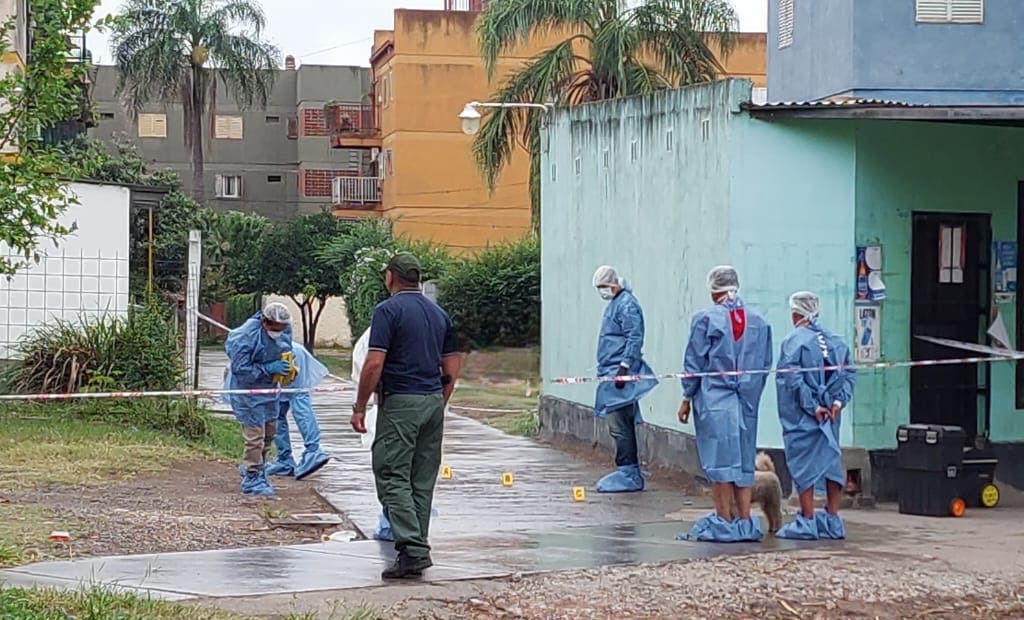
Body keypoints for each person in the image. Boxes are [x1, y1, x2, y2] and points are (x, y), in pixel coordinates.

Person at [350, 253, 462, 580]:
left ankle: (412, 550)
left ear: (390, 276)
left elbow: (374, 363)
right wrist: (439, 400)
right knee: (421, 478)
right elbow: (452, 365)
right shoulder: (439, 313)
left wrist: (360, 407)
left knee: (391, 473)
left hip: (401, 402)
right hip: (432, 401)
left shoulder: (388, 311)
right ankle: (418, 544)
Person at [677, 266, 773, 542]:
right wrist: (751, 393)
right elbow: (764, 365)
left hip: (715, 401)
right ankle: (745, 520)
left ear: (713, 289)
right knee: (743, 464)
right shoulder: (759, 322)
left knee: (720, 465)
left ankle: (724, 520)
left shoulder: (705, 320)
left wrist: (687, 397)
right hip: (746, 402)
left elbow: (694, 363)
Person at [774, 291, 856, 540]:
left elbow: (792, 378)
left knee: (803, 464)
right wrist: (838, 402)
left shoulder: (794, 341)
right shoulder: (837, 341)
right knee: (831, 461)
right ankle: (832, 518)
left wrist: (812, 406)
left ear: (795, 313)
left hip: (803, 417)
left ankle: (807, 519)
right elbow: (849, 374)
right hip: (831, 414)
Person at [591, 266, 658, 493]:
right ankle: (627, 470)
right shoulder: (617, 304)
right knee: (620, 423)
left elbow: (634, 337)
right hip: (612, 372)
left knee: (619, 424)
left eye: (603, 287)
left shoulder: (627, 305)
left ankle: (628, 472)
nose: (601, 291)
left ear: (613, 284)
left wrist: (624, 367)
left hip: (619, 372)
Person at [224, 302, 294, 497]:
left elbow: (286, 350)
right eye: (275, 329)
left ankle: (260, 468)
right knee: (255, 437)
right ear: (264, 322)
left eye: (282, 329)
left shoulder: (285, 330)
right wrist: (267, 368)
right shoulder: (245, 337)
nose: (279, 333)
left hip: (269, 390)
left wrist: (287, 368)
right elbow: (241, 370)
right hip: (248, 392)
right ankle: (252, 476)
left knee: (270, 432)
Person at [264, 342, 332, 480]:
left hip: (285, 355)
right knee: (277, 410)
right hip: (284, 352)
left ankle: (313, 451)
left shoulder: (243, 344)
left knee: (299, 401)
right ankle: (284, 460)